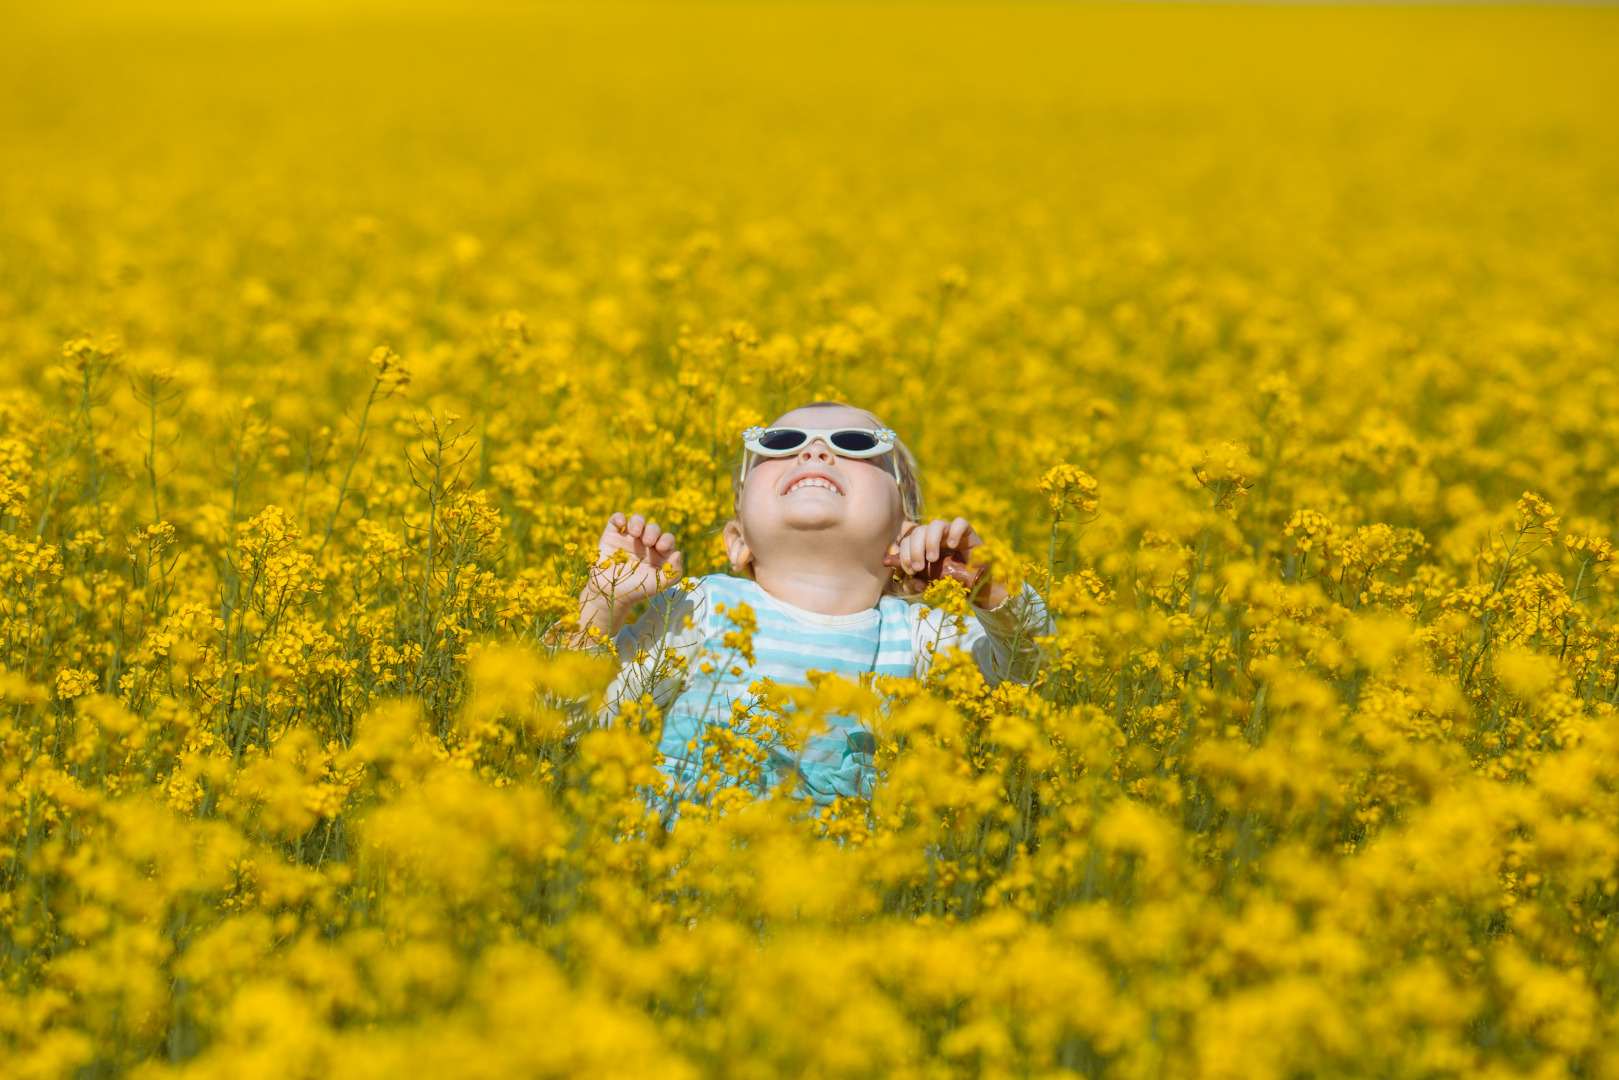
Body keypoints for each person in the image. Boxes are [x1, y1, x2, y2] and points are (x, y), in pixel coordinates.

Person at [566, 401, 1051, 816]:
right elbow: (570, 729)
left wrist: (991, 586)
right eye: (780, 441)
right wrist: (601, 604)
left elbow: (1036, 682)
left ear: (904, 536)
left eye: (857, 443)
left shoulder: (921, 635)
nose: (815, 450)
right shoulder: (701, 610)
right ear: (737, 542)